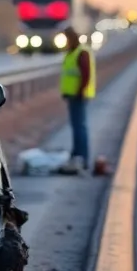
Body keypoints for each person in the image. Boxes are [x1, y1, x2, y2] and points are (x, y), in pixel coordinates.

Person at [59, 27, 96, 174]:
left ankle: (82, 157)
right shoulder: (72, 52)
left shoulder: (82, 52)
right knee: (76, 126)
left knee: (80, 127)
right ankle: (76, 154)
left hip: (79, 96)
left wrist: (80, 92)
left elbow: (85, 74)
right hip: (72, 95)